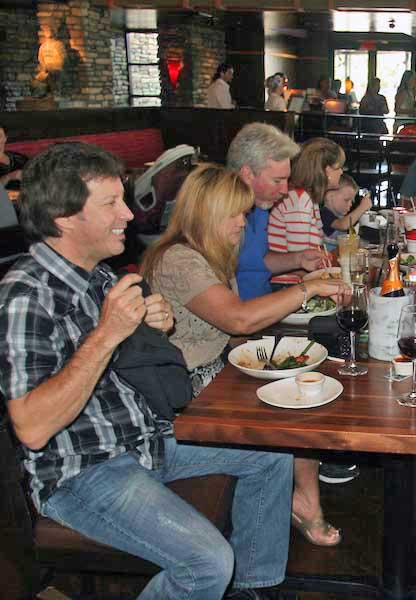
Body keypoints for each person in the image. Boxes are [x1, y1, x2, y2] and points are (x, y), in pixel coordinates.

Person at [0, 142, 294, 599]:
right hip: (84, 471)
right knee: (207, 562)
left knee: (274, 454)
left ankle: (250, 589)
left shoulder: (97, 275)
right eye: (111, 204)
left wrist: (148, 325)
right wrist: (109, 332)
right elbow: (33, 428)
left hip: (146, 438)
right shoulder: (25, 297)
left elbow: (131, 363)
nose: (130, 215)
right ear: (64, 219)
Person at [141, 163, 347, 548]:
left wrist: (277, 356)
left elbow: (230, 334)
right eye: (235, 213)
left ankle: (302, 500)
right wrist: (307, 289)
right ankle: (302, 504)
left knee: (304, 387)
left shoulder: (211, 253)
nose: (242, 222)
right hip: (183, 397)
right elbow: (237, 320)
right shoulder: (178, 259)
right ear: (206, 213)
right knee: (294, 410)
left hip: (213, 374)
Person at [231, 123, 325, 301]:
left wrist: (298, 259)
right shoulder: (220, 215)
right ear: (247, 174)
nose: (284, 189)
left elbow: (258, 261)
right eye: (277, 180)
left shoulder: (260, 206)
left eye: (287, 179)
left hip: (265, 305)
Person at [321, 173, 373, 238]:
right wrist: (362, 207)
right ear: (330, 197)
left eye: (351, 201)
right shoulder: (324, 214)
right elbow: (343, 225)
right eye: (346, 200)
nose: (350, 204)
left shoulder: (340, 216)